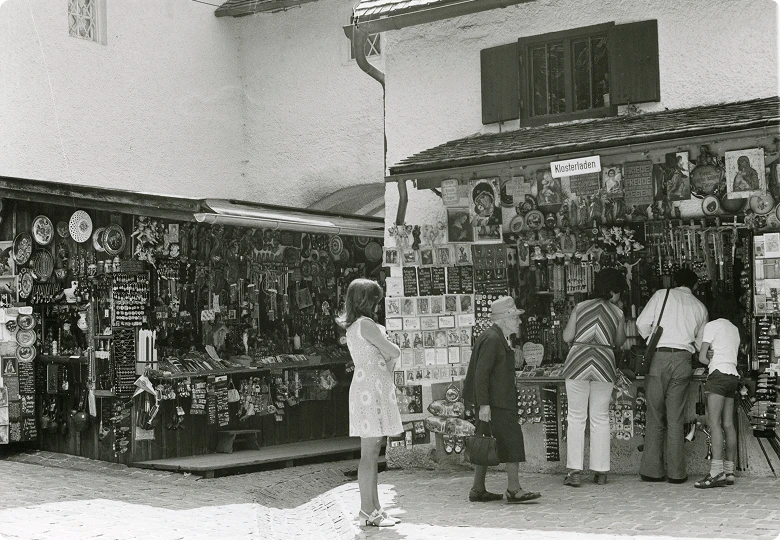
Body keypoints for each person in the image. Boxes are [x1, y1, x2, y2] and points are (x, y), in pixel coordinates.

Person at [463, 296, 541, 504]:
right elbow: (482, 374)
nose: (519, 321)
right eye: (515, 317)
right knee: (512, 441)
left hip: (495, 401)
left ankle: (478, 489)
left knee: (484, 441)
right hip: (497, 403)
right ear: (504, 319)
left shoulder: (494, 336)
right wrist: (484, 405)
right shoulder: (493, 339)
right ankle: (514, 489)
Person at [339, 279, 403, 528]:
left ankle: (374, 508)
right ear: (368, 301)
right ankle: (367, 510)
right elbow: (394, 351)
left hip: (368, 386)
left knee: (373, 453)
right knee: (369, 454)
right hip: (372, 389)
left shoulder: (355, 326)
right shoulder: (366, 325)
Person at [636, 268, 708, 483]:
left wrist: (651, 340)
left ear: (674, 281)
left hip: (658, 358)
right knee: (676, 419)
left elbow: (641, 323)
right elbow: (699, 342)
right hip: (683, 361)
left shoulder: (661, 295)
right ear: (695, 286)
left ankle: (652, 471)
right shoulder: (700, 307)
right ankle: (677, 474)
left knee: (655, 416)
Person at [561, 268, 627, 487]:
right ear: (613, 290)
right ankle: (600, 471)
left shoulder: (580, 307)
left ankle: (574, 472)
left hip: (577, 361)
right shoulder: (617, 312)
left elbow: (568, 336)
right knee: (600, 417)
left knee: (576, 418)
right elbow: (619, 342)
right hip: (603, 363)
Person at [694, 296, 741, 488]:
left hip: (718, 375)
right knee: (728, 424)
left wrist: (709, 355)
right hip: (732, 376)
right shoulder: (735, 329)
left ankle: (715, 472)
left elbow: (703, 358)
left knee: (714, 423)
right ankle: (729, 472)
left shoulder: (712, 326)